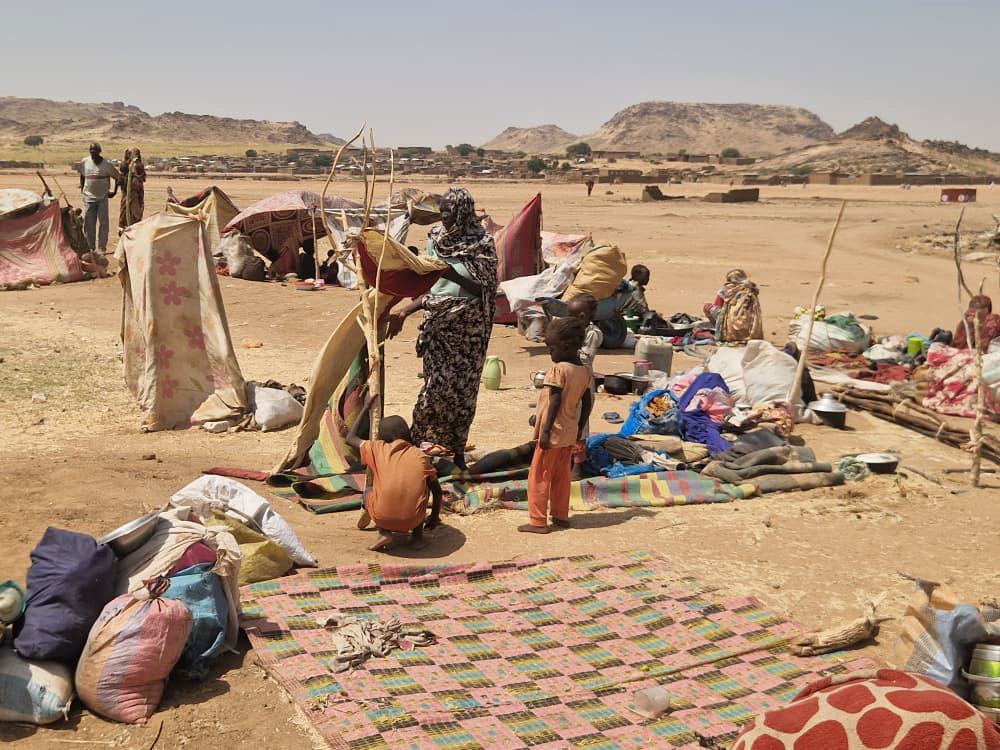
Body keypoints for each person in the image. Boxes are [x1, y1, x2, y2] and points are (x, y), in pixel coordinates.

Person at [386, 187, 498, 469]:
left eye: (449, 210)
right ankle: (416, 448)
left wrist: (448, 272)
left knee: (462, 391)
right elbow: (428, 285)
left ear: (463, 211)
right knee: (434, 387)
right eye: (442, 210)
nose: (443, 215)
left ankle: (456, 452)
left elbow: (485, 289)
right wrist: (404, 309)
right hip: (438, 323)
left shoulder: (482, 243)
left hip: (469, 327)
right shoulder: (435, 238)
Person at [519, 317, 593, 535]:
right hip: (570, 431)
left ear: (567, 346)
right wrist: (580, 427)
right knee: (562, 476)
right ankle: (561, 515)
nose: (550, 353)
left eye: (552, 348)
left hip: (553, 433)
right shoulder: (584, 371)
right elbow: (586, 402)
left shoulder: (558, 370)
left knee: (539, 475)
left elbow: (555, 401)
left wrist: (545, 430)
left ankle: (537, 521)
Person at [346, 394, 442, 551]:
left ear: (383, 438)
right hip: (414, 518)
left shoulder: (377, 448)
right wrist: (434, 518)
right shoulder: (421, 457)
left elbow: (350, 437)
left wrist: (365, 408)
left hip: (382, 516)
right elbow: (437, 492)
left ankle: (383, 532)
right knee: (424, 489)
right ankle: (417, 538)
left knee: (370, 490)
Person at [77, 143, 121, 253]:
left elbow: (117, 177)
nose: (93, 152)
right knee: (89, 223)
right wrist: (82, 190)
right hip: (88, 198)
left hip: (102, 198)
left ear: (99, 151)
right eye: (91, 150)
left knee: (103, 223)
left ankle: (102, 247)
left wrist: (114, 192)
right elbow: (82, 176)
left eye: (95, 150)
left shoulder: (107, 164)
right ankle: (90, 247)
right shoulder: (85, 162)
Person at [716, 268, 764, 343]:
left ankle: (722, 332)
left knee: (708, 308)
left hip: (731, 332)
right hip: (753, 332)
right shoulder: (752, 288)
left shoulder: (727, 289)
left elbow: (717, 305)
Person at [117, 147, 147, 234]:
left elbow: (142, 178)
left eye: (135, 154)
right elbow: (120, 179)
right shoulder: (124, 166)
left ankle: (135, 229)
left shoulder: (139, 166)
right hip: (127, 194)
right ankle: (122, 228)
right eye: (131, 154)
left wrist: (135, 173)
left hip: (137, 195)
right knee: (125, 210)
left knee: (136, 212)